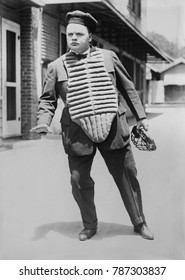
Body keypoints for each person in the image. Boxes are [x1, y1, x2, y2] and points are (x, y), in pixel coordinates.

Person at [32, 10, 154, 241]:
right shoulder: (57, 66)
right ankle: (90, 224)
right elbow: (47, 99)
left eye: (79, 34)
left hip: (113, 128)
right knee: (78, 180)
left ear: (90, 36)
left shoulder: (108, 57)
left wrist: (141, 117)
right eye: (70, 34)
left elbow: (128, 88)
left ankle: (140, 222)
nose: (74, 38)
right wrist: (43, 123)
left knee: (127, 175)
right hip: (77, 132)